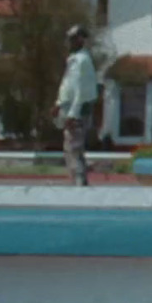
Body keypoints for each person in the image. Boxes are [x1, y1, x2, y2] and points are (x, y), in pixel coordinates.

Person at [51, 24, 97, 187]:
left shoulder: (82, 61)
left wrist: (73, 115)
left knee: (74, 146)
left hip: (78, 110)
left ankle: (79, 182)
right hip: (69, 107)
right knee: (70, 146)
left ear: (80, 40)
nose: (69, 42)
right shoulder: (74, 59)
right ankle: (78, 180)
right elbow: (67, 85)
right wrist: (58, 103)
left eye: (73, 39)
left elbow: (80, 90)